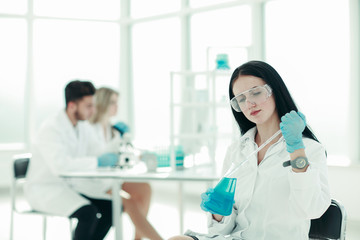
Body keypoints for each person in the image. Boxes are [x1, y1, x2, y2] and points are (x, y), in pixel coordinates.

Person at [169, 60, 331, 240]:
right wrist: (219, 213)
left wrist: (296, 150)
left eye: (256, 93)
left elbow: (312, 209)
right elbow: (220, 231)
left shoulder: (310, 149)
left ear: (275, 91)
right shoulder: (236, 151)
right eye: (241, 99)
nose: (249, 103)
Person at [24, 80, 162, 240]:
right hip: (47, 190)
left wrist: (120, 143)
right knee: (87, 213)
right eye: (88, 106)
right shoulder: (51, 129)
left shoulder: (81, 126)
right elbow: (60, 166)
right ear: (72, 106)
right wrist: (98, 162)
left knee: (113, 208)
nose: (93, 110)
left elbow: (98, 151)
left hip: (71, 185)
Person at [89, 87, 161, 240]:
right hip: (96, 181)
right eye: (113, 102)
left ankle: (138, 238)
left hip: (111, 177)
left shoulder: (112, 129)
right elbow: (97, 156)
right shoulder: (90, 129)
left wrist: (138, 155)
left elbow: (122, 152)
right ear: (103, 104)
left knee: (145, 189)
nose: (117, 107)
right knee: (130, 203)